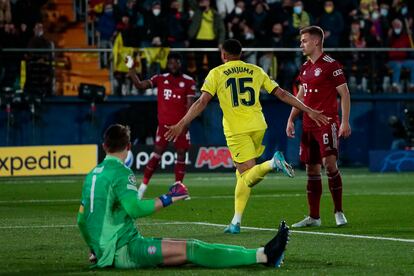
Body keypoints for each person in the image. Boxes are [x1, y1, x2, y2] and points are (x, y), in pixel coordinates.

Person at [165, 39, 330, 234]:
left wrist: (181, 124)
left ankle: (272, 164)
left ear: (223, 55)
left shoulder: (216, 73)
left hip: (237, 130)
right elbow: (283, 94)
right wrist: (308, 110)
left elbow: (201, 103)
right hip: (258, 126)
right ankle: (235, 222)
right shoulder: (255, 70)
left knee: (247, 176)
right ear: (241, 54)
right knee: (241, 176)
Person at [77, 124, 290, 269]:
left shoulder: (91, 175)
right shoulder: (122, 173)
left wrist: (95, 249)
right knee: (193, 249)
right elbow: (135, 209)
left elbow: (82, 220)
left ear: (104, 146)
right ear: (129, 146)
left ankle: (262, 253)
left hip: (115, 247)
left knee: (190, 246)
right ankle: (263, 255)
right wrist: (169, 198)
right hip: (125, 250)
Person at [285, 26, 352, 228]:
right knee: (311, 169)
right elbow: (301, 96)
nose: (301, 44)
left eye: (304, 40)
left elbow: (345, 94)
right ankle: (314, 216)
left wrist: (345, 121)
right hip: (307, 124)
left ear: (316, 42)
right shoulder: (305, 67)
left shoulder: (332, 65)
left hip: (327, 122)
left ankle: (338, 211)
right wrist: (291, 119)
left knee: (330, 164)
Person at [126, 52, 196, 199]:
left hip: (180, 126)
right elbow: (140, 85)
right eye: (170, 62)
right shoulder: (161, 78)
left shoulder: (189, 81)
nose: (172, 65)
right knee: (156, 154)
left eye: (175, 62)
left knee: (181, 154)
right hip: (164, 126)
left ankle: (179, 189)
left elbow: (190, 106)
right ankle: (142, 189)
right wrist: (131, 69)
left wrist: (185, 124)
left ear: (180, 63)